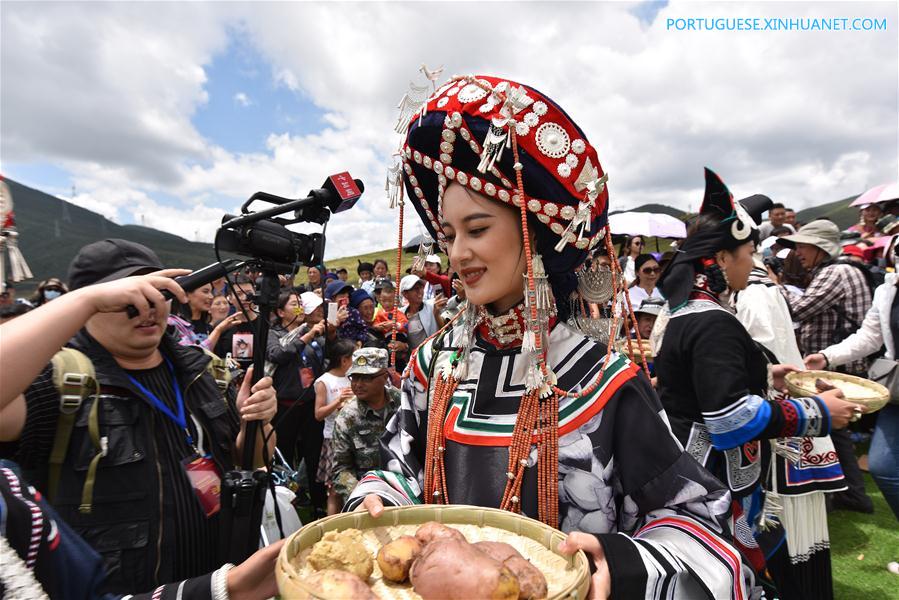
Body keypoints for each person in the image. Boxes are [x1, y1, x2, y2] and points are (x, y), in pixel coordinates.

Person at [351, 74, 766, 598]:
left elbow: (703, 528)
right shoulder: (432, 365)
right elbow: (398, 469)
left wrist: (620, 561)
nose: (457, 254)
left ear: (536, 236)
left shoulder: (603, 381)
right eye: (449, 234)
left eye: (477, 229)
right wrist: (380, 500)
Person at [0, 239, 277, 595]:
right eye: (127, 298)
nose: (146, 307)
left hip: (221, 584)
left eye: (156, 292)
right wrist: (83, 301)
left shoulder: (204, 370)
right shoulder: (62, 382)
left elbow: (249, 461)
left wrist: (259, 422)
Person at [653, 172, 860, 598]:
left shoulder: (688, 313)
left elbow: (703, 388)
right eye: (750, 252)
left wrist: (766, 376)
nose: (755, 261)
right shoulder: (713, 322)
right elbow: (728, 418)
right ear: (723, 258)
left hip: (698, 474)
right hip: (715, 484)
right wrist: (818, 412)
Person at [734, 253, 844, 599]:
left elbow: (763, 354)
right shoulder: (761, 288)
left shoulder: (752, 293)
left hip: (780, 431)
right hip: (787, 423)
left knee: (787, 537)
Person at [776, 219, 875, 513]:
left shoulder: (835, 272)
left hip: (838, 366)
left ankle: (849, 494)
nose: (798, 252)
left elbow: (798, 309)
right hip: (838, 362)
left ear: (820, 248)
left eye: (803, 245)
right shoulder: (841, 269)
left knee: (834, 430)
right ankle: (847, 492)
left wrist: (771, 286)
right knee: (834, 430)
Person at [804, 252, 899, 521]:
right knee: (883, 466)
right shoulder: (887, 290)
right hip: (896, 391)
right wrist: (827, 356)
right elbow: (870, 336)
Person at [330, 347, 399, 507]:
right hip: (367, 496)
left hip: (405, 490)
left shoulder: (403, 404)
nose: (358, 384)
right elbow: (341, 470)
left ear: (384, 377)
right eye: (354, 378)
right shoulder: (347, 417)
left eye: (366, 378)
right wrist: (361, 496)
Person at [314, 339, 356, 514]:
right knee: (334, 487)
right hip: (333, 438)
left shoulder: (351, 378)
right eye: (354, 356)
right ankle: (330, 524)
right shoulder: (324, 381)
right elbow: (318, 414)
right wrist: (338, 401)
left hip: (353, 436)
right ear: (344, 360)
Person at [213, 274, 257, 370]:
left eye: (249, 293)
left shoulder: (267, 324)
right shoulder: (222, 326)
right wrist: (225, 362)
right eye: (239, 294)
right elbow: (213, 358)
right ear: (229, 298)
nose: (245, 298)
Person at [399, 274, 445, 352]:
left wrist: (436, 314)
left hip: (433, 355)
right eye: (415, 289)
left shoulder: (433, 305)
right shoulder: (400, 314)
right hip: (412, 360)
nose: (420, 291)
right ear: (405, 294)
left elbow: (446, 328)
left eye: (421, 287)